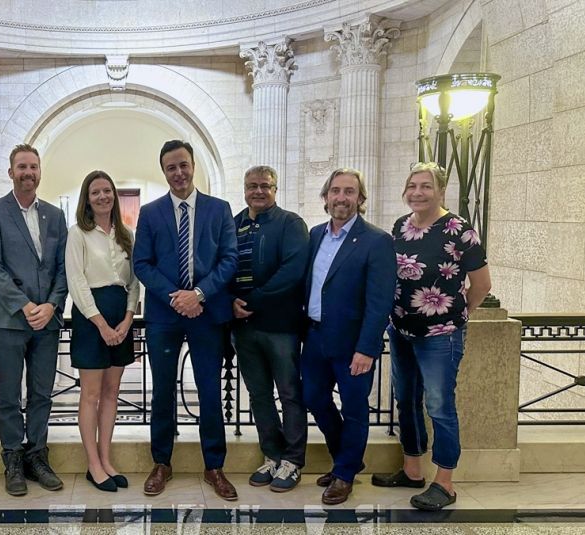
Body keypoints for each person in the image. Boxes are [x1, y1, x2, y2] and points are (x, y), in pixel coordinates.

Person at [371, 162, 491, 511]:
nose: (417, 193)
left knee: (439, 406)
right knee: (405, 400)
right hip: (402, 331)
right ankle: (412, 469)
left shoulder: (459, 230)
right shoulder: (400, 227)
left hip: (441, 336)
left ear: (441, 190)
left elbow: (481, 286)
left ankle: (445, 482)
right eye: (412, 186)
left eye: (425, 186)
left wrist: (456, 317)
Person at [133, 140, 239, 501]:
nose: (178, 173)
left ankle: (214, 466)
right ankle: (162, 462)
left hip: (207, 314)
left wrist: (200, 295)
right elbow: (141, 263)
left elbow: (229, 259)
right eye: (170, 168)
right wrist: (176, 298)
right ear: (163, 172)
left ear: (193, 165)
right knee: (162, 390)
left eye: (183, 165)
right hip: (165, 315)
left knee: (209, 390)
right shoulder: (150, 213)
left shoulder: (218, 209)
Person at [0, 143, 68, 496]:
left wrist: (51, 304)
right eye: (21, 167)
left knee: (42, 393)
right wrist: (23, 304)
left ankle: (37, 456)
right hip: (10, 321)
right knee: (9, 396)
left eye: (33, 167)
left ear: (39, 171)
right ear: (10, 171)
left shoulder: (55, 216)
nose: (28, 172)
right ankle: (13, 458)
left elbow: (63, 267)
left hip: (47, 320)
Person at [302, 168, 396, 505]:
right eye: (336, 191)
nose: (342, 198)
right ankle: (349, 460)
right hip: (314, 339)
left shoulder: (377, 241)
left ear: (360, 198)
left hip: (353, 345)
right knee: (314, 398)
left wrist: (367, 349)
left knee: (355, 408)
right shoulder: (314, 235)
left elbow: (380, 301)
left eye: (349, 192)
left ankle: (343, 474)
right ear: (326, 197)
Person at [230, 165, 310, 492]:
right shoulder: (233, 225)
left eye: (265, 185)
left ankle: (293, 460)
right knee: (259, 394)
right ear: (244, 189)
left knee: (290, 393)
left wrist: (255, 299)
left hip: (280, 327)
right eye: (252, 186)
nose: (258, 191)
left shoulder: (290, 224)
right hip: (244, 327)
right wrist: (229, 301)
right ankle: (272, 455)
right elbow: (221, 266)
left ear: (275, 189)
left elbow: (293, 270)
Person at [65, 170, 139, 493]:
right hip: (90, 318)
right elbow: (77, 281)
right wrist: (101, 324)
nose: (102, 196)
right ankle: (93, 465)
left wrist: (127, 320)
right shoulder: (78, 234)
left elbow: (135, 282)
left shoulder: (127, 235)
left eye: (107, 190)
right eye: (95, 192)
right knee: (91, 394)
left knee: (112, 394)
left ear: (114, 194)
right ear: (87, 198)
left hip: (121, 317)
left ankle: (107, 459)